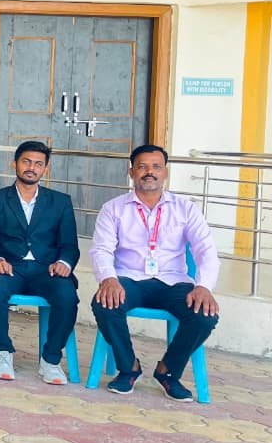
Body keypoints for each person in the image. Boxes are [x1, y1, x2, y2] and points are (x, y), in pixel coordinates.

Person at [90, 144, 219, 401]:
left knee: (205, 314)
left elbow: (206, 250)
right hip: (129, 279)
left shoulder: (186, 209)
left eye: (156, 167)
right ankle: (128, 368)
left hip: (173, 281)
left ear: (165, 172)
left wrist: (204, 286)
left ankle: (168, 371)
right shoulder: (113, 208)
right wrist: (108, 279)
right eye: (142, 166)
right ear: (131, 172)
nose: (149, 172)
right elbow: (101, 249)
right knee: (104, 304)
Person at [0, 141, 80, 384]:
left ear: (45, 168)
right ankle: (2, 352)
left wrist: (64, 262)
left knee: (67, 295)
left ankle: (51, 359)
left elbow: (69, 244)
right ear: (14, 164)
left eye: (38, 164)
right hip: (8, 268)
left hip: (47, 270)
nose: (31, 168)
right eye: (26, 161)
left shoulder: (60, 202)